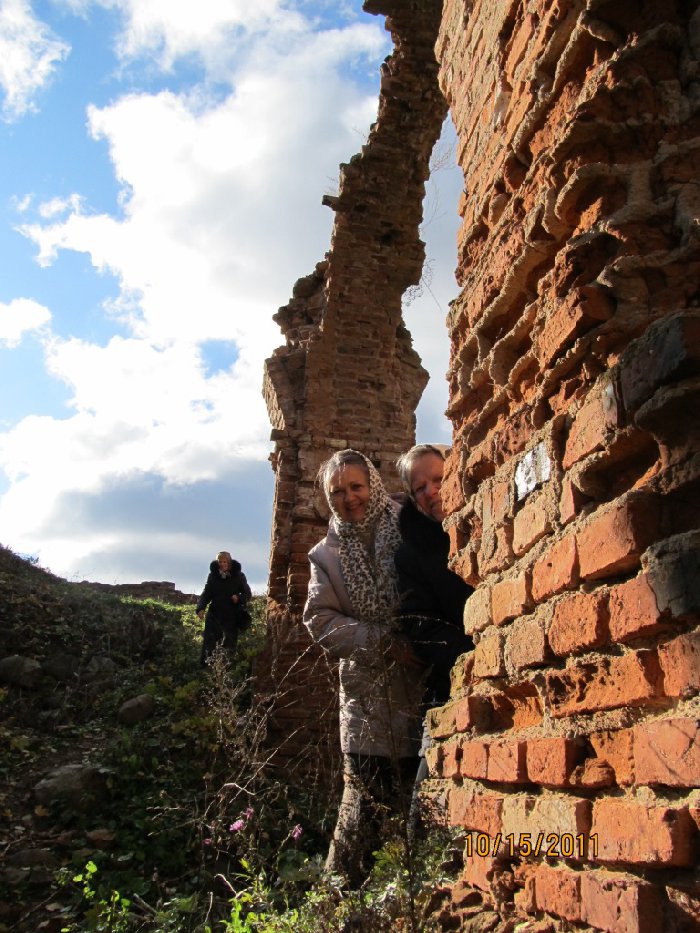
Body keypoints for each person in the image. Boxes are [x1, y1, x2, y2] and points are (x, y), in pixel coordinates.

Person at [303, 449, 423, 886]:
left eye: (356, 486)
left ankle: (414, 894)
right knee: (363, 810)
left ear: (372, 484)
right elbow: (319, 620)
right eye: (337, 491)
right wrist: (381, 642)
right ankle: (340, 900)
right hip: (366, 698)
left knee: (425, 807)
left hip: (425, 684)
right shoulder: (325, 554)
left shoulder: (411, 525)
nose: (349, 498)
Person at [395, 444, 474, 708]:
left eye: (439, 478)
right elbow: (423, 625)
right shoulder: (411, 555)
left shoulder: (490, 519)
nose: (431, 491)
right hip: (458, 685)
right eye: (420, 488)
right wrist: (476, 657)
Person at [196, 551, 252, 665]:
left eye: (224, 562)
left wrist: (238, 598)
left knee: (228, 644)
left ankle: (226, 669)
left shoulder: (238, 576)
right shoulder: (213, 576)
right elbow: (206, 594)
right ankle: (208, 669)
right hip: (214, 614)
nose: (222, 564)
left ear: (229, 563)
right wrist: (201, 608)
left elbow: (247, 594)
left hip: (231, 616)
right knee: (210, 644)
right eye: (220, 562)